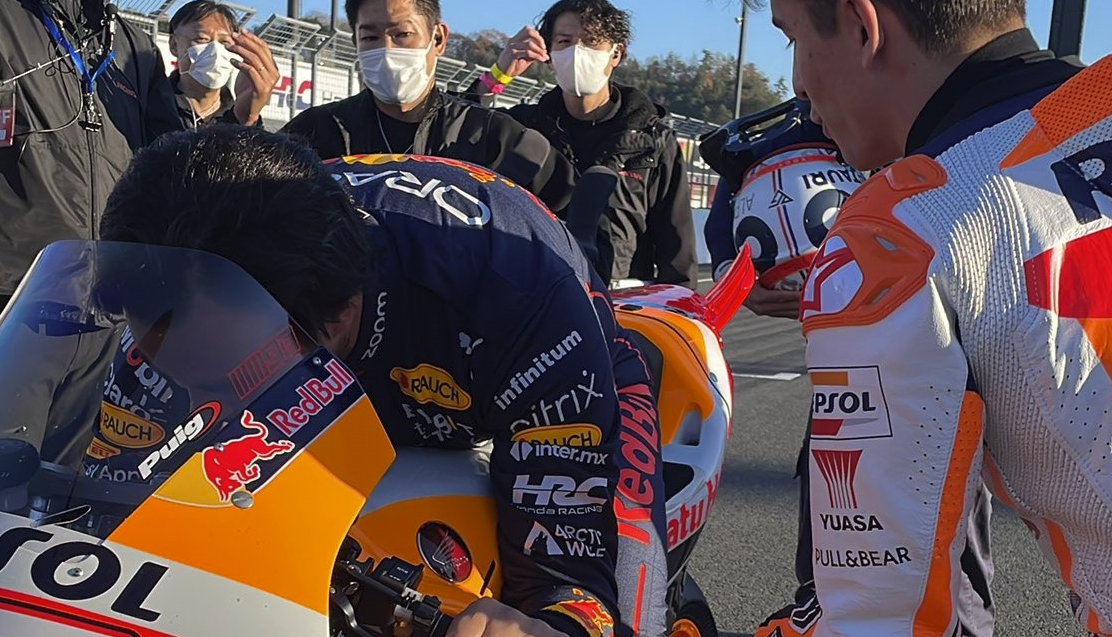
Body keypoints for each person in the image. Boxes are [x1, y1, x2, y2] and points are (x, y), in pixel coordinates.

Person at [96, 125, 669, 637]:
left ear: (340, 314)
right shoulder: (185, 295)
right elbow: (100, 519)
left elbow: (570, 583)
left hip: (558, 359)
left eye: (228, 377)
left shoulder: (516, 294)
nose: (197, 401)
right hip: (410, 353)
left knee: (621, 613)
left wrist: (560, 619)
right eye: (165, 361)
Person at [765, 0, 1112, 634]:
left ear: (863, 26)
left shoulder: (899, 233)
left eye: (792, 38)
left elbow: (880, 618)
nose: (797, 84)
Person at [702, 102, 995, 637]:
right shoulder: (813, 116)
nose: (803, 87)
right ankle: (826, 608)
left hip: (943, 343)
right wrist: (734, 267)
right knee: (838, 523)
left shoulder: (936, 115)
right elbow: (736, 172)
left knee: (944, 522)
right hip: (854, 360)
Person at [473, 0, 697, 289]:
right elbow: (456, 142)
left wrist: (679, 307)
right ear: (549, 54)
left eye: (592, 41)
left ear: (616, 53)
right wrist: (496, 77)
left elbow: (677, 253)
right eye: (564, 42)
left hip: (622, 303)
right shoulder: (523, 128)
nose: (577, 52)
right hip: (535, 299)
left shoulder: (652, 141)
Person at [281, 0, 576, 217]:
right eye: (370, 37)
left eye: (402, 34)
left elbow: (572, 211)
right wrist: (253, 118)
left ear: (438, 39)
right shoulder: (317, 130)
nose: (387, 50)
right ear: (355, 42)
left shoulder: (491, 135)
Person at [0, 0, 183, 311]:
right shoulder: (7, 18)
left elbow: (167, 160)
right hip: (14, 287)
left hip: (110, 290)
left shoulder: (137, 47)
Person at [166, 0, 279, 129]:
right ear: (174, 45)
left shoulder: (235, 111)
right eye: (201, 39)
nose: (215, 50)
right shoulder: (155, 104)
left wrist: (248, 119)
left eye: (224, 42)